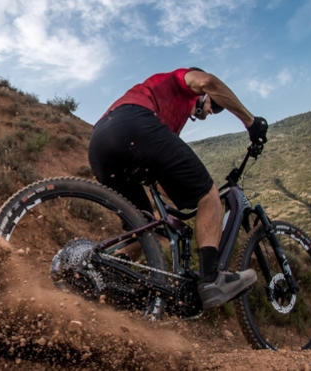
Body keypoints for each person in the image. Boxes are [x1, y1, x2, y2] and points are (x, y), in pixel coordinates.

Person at [88, 67, 268, 310]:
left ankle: (104, 273)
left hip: (101, 144)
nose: (212, 112)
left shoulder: (171, 118)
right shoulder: (183, 79)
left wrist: (172, 211)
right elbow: (208, 81)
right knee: (208, 195)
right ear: (204, 97)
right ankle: (211, 280)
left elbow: (164, 176)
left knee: (143, 228)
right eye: (214, 106)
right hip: (134, 123)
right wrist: (250, 122)